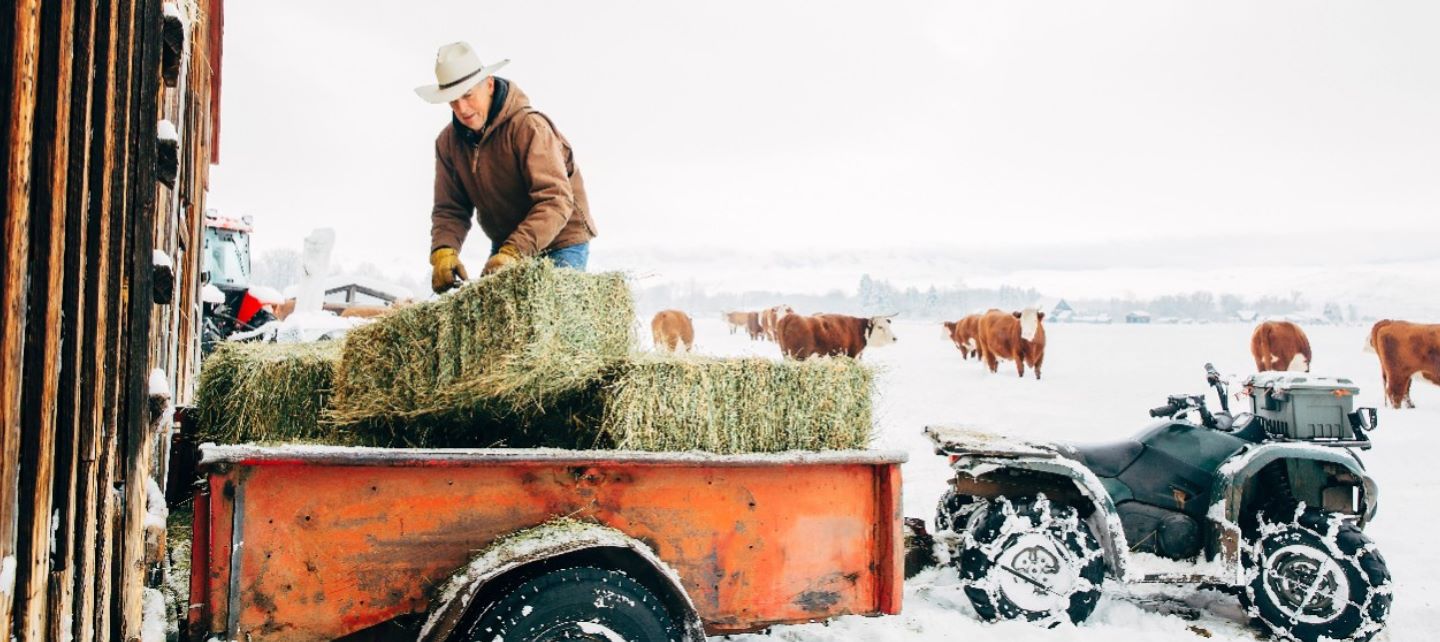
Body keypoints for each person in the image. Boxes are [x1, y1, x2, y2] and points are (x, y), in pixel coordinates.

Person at [415, 41, 597, 294]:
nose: (462, 109)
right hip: (507, 244)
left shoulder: (529, 127)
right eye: (452, 101)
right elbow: (450, 208)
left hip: (560, 240)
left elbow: (555, 201)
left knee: (549, 325)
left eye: (467, 95)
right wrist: (444, 250)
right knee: (496, 326)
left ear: (488, 84)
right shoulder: (448, 143)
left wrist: (514, 251)